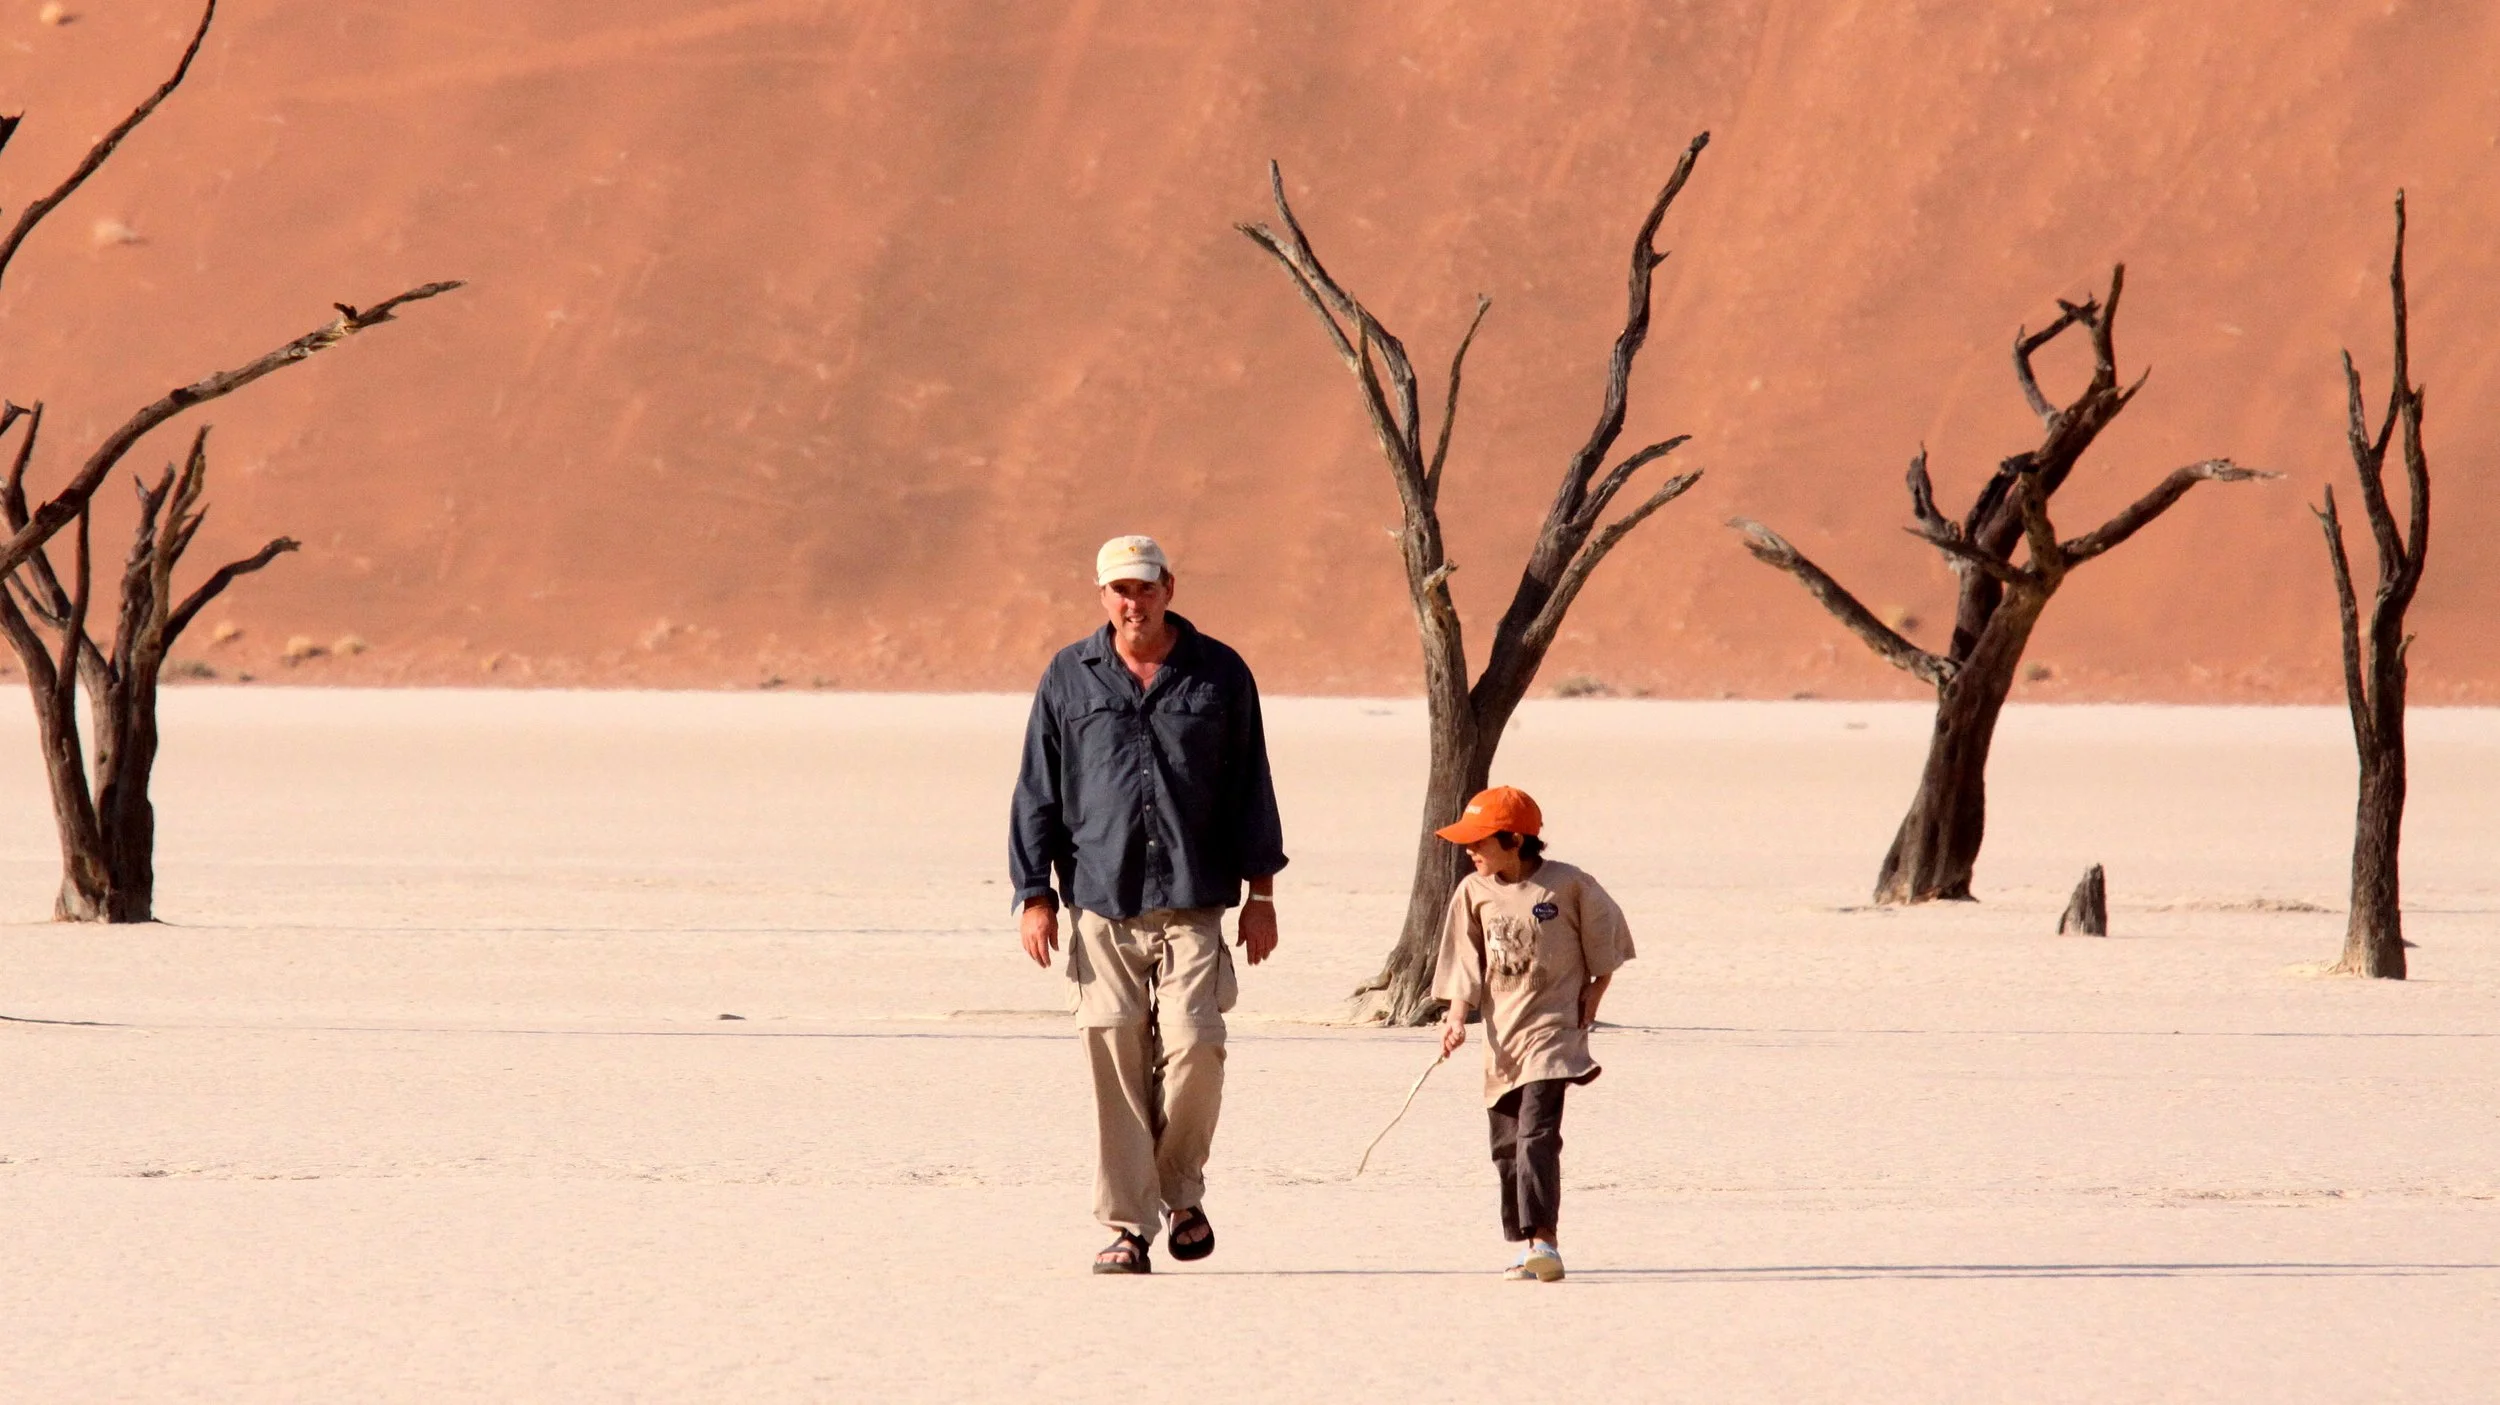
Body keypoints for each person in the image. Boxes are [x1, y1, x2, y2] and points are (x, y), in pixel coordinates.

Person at [1010, 534, 1287, 1275]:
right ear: (1102, 596)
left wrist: (1261, 893)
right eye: (1119, 591)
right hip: (1101, 898)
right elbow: (1038, 788)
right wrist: (1035, 893)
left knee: (1196, 1043)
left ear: (1168, 585)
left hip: (1196, 896)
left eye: (1144, 587)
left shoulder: (1219, 673)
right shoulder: (1069, 676)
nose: (1133, 602)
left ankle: (1180, 1187)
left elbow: (1250, 785)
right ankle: (1130, 1225)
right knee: (1114, 1054)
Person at [1432, 785, 1633, 1282]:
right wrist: (1457, 1017)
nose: (1470, 851)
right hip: (1502, 1037)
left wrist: (1595, 992)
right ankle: (1527, 1246)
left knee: (1536, 1134)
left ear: (1516, 840)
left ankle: (1546, 1241)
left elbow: (1608, 942)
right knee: (1506, 1147)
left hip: (1553, 1032)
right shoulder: (1472, 892)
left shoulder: (1569, 886)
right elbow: (1465, 962)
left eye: (1480, 841)